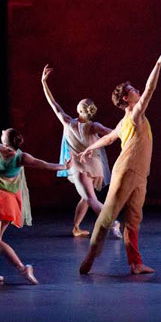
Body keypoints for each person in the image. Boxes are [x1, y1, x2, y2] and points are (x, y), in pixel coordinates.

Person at [77, 45, 161, 275]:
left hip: (140, 175)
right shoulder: (134, 114)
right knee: (109, 214)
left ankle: (135, 263)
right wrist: (158, 63)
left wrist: (91, 147)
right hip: (126, 170)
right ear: (126, 98)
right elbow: (150, 89)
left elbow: (109, 138)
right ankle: (91, 254)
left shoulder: (127, 120)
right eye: (132, 90)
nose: (137, 90)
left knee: (134, 220)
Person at [0, 91, 68, 285]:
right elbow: (44, 164)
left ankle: (22, 268)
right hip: (10, 202)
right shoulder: (21, 157)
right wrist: (63, 166)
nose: (1, 133)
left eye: (3, 133)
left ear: (5, 140)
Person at [40, 65, 121, 239]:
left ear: (79, 110)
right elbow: (114, 133)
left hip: (79, 165)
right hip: (94, 164)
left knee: (90, 198)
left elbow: (53, 104)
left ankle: (113, 222)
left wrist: (43, 82)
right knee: (85, 197)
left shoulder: (68, 122)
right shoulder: (94, 126)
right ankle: (76, 227)